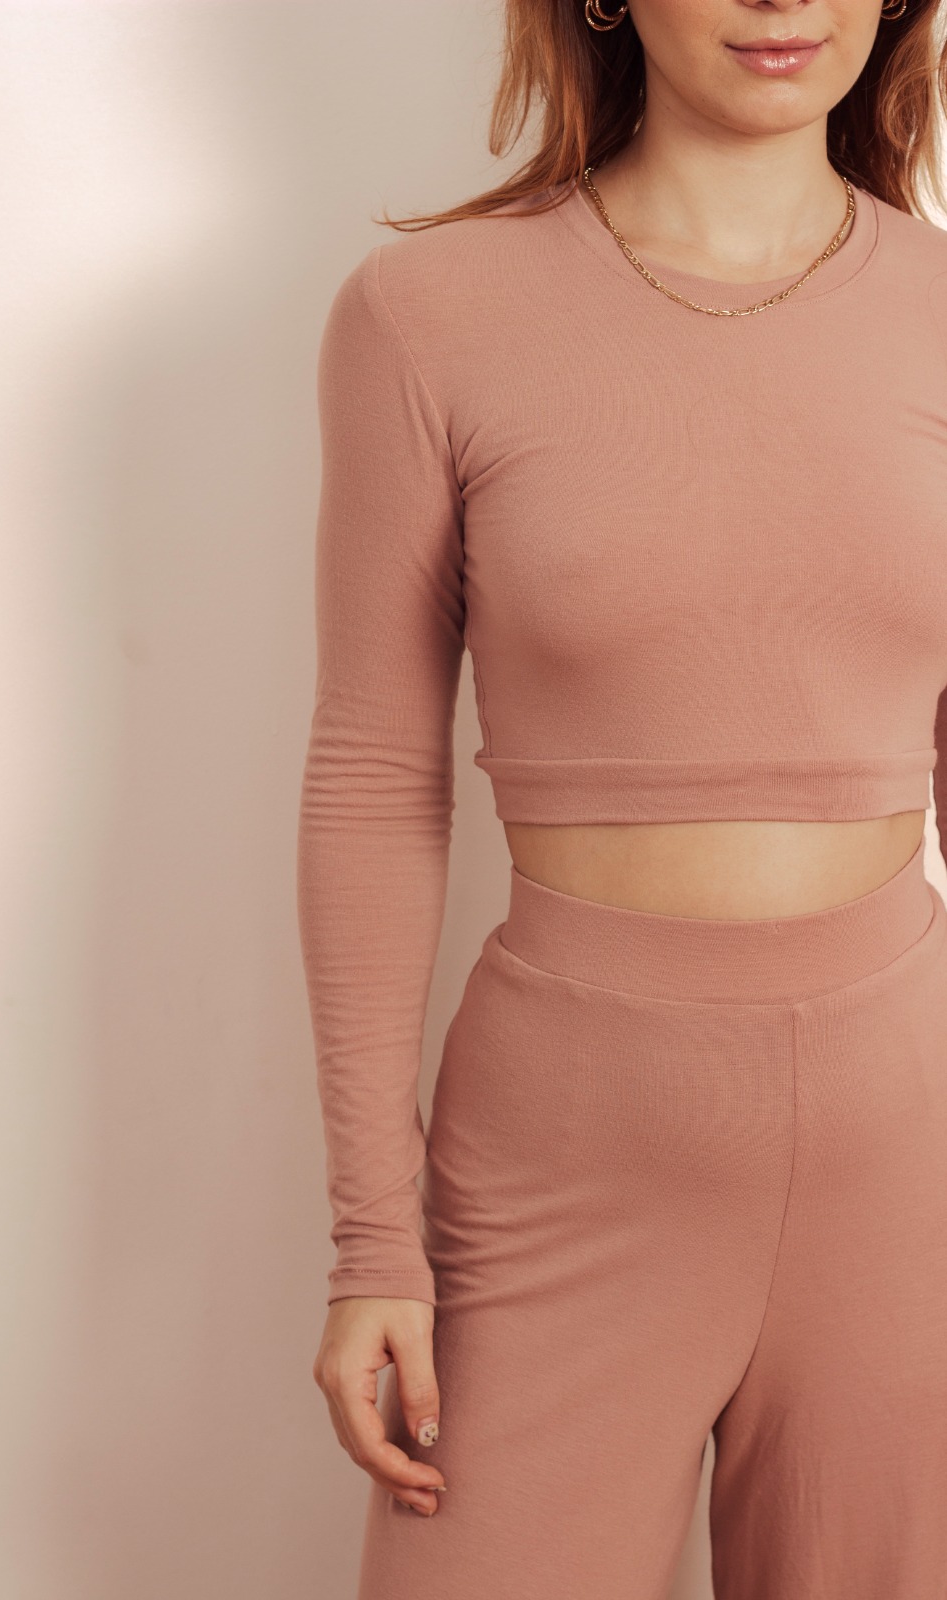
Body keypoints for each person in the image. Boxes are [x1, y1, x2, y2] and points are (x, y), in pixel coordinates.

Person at [296, 1, 947, 1594]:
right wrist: (373, 1237)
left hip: (905, 1148)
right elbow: (374, 776)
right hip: (563, 1148)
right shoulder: (429, 316)